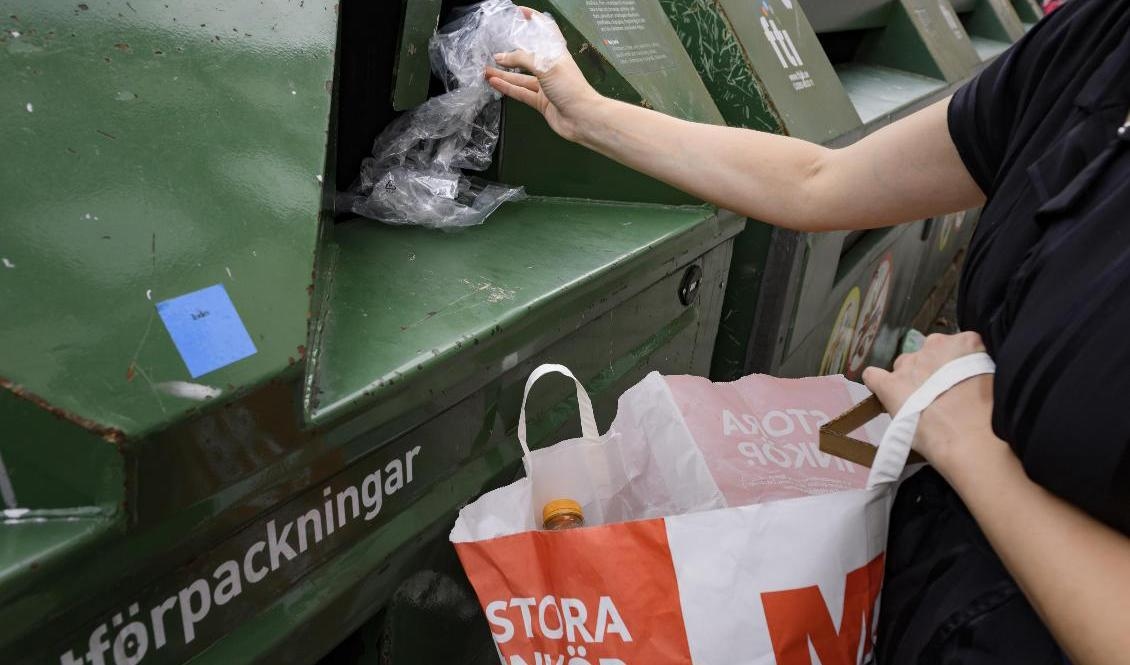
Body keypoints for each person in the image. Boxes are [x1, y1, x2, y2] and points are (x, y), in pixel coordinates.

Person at [485, 1, 1130, 663]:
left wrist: (968, 440)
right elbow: (822, 181)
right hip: (920, 597)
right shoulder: (1098, 38)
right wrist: (588, 114)